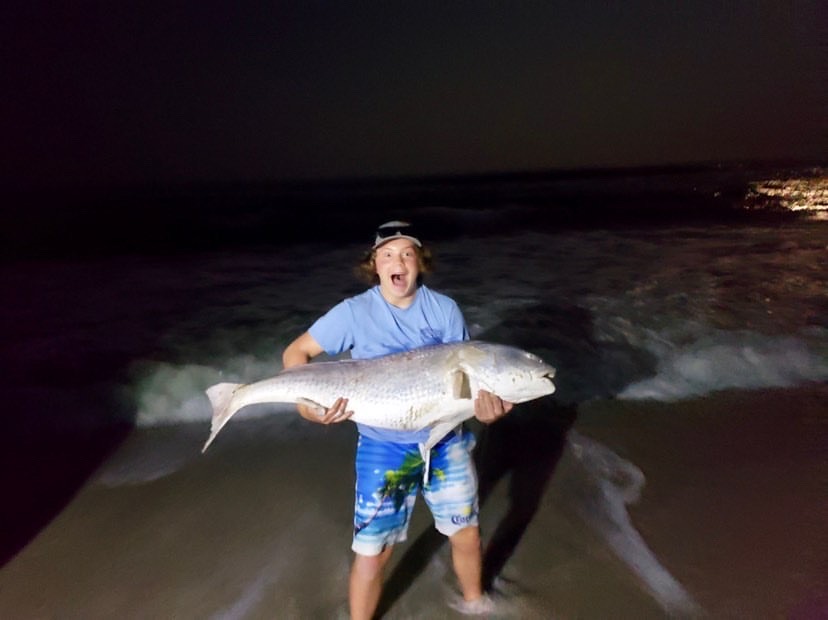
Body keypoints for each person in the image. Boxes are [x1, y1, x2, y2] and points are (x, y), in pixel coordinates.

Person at [282, 220, 513, 619]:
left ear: (419, 263)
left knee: (467, 534)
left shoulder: (444, 310)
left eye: (407, 253)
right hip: (382, 447)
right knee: (373, 552)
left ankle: (476, 606)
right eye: (387, 254)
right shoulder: (353, 313)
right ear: (374, 265)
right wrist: (308, 408)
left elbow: (468, 381)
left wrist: (487, 408)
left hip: (446, 443)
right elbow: (295, 354)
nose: (398, 261)